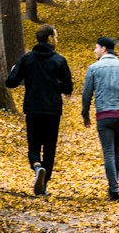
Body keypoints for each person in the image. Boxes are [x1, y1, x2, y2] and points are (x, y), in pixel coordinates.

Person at [5, 24, 73, 196]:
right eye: (55, 36)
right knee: (50, 147)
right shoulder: (59, 60)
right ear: (50, 38)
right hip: (52, 109)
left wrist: (15, 69)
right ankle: (44, 185)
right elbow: (68, 87)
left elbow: (10, 82)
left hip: (33, 109)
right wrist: (58, 86)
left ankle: (36, 166)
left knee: (33, 144)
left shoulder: (27, 59)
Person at [81, 35, 119, 201]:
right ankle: (114, 186)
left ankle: (114, 189)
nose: (94, 50)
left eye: (96, 47)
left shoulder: (94, 68)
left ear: (104, 49)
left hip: (104, 116)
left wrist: (85, 113)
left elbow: (86, 93)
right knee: (116, 151)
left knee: (108, 153)